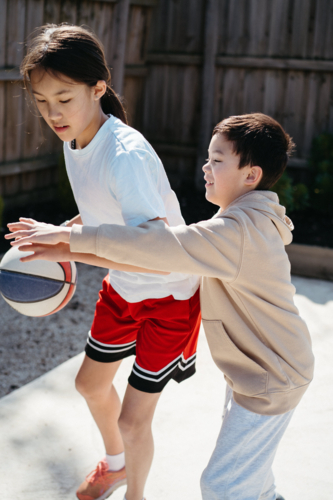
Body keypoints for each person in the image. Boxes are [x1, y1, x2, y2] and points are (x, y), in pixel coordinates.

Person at [8, 113, 315, 500]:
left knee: (223, 486)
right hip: (262, 370)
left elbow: (160, 246)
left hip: (271, 379)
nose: (205, 167)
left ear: (250, 175)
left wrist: (69, 237)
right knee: (253, 482)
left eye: (217, 160)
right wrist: (70, 237)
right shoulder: (244, 217)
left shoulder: (236, 232)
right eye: (208, 157)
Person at [12, 23, 201, 500]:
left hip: (169, 295)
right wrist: (61, 236)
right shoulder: (74, 140)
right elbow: (101, 212)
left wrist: (67, 243)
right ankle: (115, 468)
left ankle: (135, 494)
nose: (53, 113)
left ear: (98, 87)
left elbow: (156, 254)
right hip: (124, 287)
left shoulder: (126, 155)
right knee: (91, 385)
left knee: (133, 422)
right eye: (41, 101)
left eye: (64, 97)